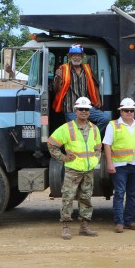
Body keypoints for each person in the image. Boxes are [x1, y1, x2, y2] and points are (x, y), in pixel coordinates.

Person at [47, 96, 102, 240]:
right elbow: (52, 143)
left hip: (88, 170)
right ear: (75, 111)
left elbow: (98, 148)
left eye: (87, 109)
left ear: (90, 112)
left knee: (86, 198)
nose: (84, 111)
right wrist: (63, 158)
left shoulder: (95, 129)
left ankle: (84, 227)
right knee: (68, 197)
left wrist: (96, 159)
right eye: (81, 109)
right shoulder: (67, 128)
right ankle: (66, 227)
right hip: (73, 170)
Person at [102, 97, 135, 233]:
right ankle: (119, 222)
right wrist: (110, 163)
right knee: (119, 194)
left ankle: (129, 221)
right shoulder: (113, 125)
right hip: (120, 165)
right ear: (121, 112)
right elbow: (107, 144)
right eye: (126, 110)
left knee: (132, 194)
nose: (129, 113)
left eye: (131, 110)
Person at [52, 43, 110, 132]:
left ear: (82, 57)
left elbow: (95, 85)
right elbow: (57, 90)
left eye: (79, 55)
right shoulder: (63, 69)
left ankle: (92, 135)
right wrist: (58, 78)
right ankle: (82, 140)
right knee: (76, 131)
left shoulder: (87, 68)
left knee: (105, 118)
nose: (77, 57)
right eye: (74, 55)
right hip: (71, 108)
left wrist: (98, 100)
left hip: (86, 107)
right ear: (70, 56)